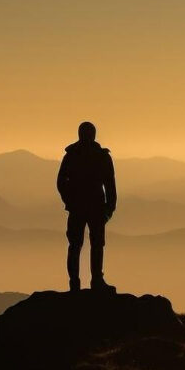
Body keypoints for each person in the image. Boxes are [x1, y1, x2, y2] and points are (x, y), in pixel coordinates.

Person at [57, 122, 117, 291]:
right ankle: (90, 281)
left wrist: (108, 208)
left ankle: (82, 282)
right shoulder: (98, 156)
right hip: (93, 206)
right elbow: (110, 185)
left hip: (87, 207)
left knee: (82, 244)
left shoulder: (74, 155)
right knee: (85, 244)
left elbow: (110, 185)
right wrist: (109, 208)